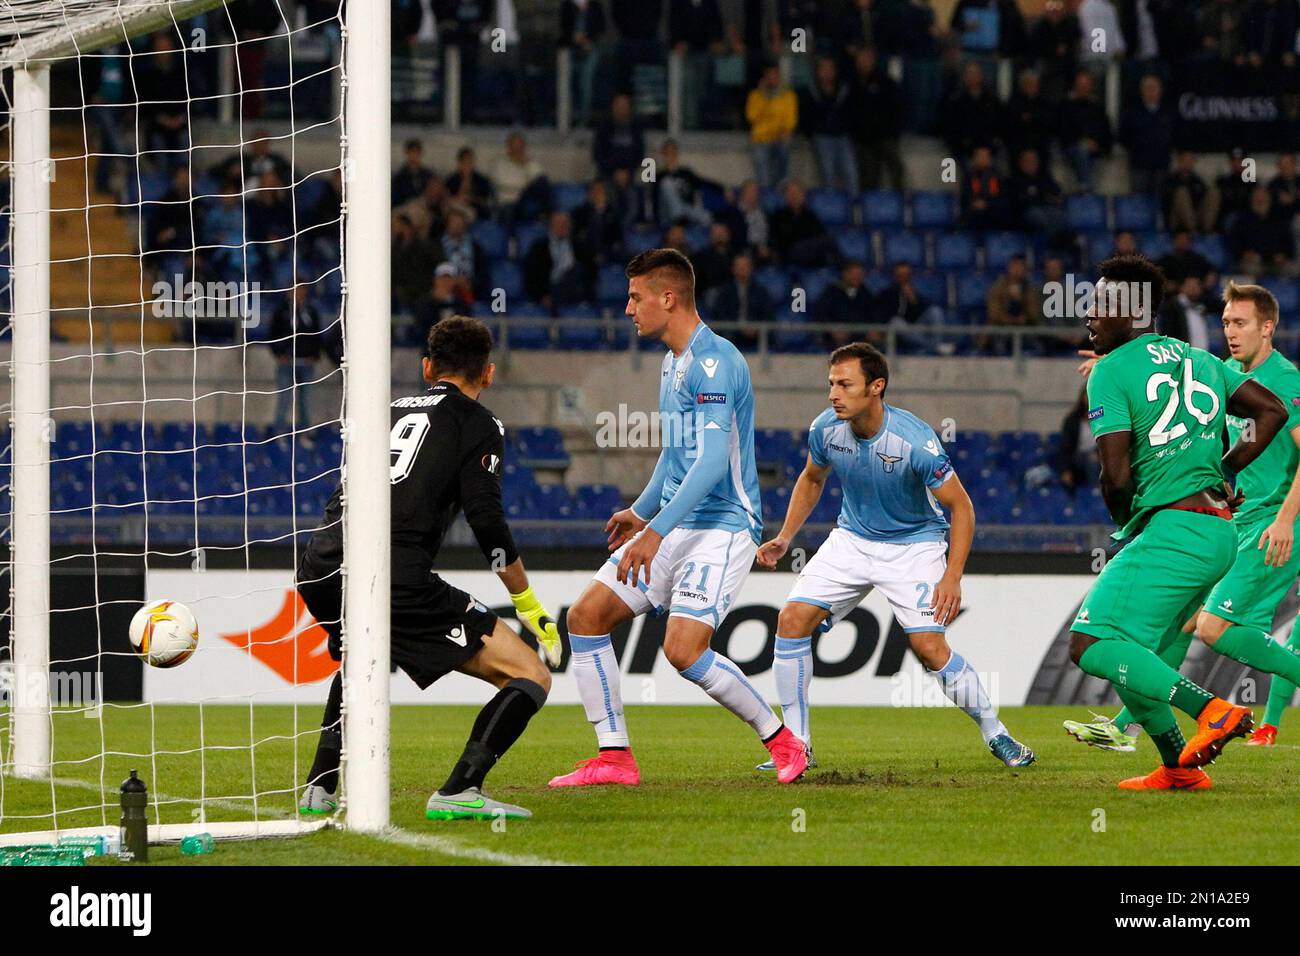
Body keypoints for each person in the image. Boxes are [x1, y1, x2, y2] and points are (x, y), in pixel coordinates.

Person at [547, 249, 808, 788]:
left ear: (668, 298)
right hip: (676, 522)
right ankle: (615, 757)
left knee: (683, 651)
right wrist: (641, 512)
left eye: (636, 297)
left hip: (724, 526)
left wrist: (656, 530)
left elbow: (713, 464)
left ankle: (784, 742)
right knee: (585, 617)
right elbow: (677, 452)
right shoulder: (673, 362)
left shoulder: (717, 362)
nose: (627, 308)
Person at [296, 316, 562, 820]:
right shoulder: (480, 424)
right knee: (530, 674)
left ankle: (319, 788)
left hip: (322, 564)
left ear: (426, 368)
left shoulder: (386, 409)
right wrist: (528, 604)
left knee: (362, 657)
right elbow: (486, 521)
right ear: (489, 374)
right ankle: (461, 789)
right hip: (392, 572)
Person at [754, 342, 1035, 769]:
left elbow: (962, 507)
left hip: (914, 545)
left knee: (928, 647)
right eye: (831, 383)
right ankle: (796, 747)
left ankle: (996, 732)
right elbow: (812, 479)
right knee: (791, 621)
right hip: (852, 539)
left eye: (845, 385)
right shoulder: (824, 429)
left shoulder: (914, 440)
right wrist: (785, 535)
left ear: (876, 387)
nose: (833, 394)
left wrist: (952, 576)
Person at [1065, 256, 1287, 790]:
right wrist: (1225, 470)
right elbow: (1272, 412)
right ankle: (1177, 769)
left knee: (1089, 643)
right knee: (1134, 653)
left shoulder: (1111, 371)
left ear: (1134, 310)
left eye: (1100, 303)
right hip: (1218, 530)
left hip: (1175, 529)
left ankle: (1212, 711)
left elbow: (1114, 477)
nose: (1089, 313)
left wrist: (1125, 528)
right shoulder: (1202, 360)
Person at [269, 284, 324, 432]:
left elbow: (317, 334)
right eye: (295, 289)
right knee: (284, 400)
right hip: (287, 363)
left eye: (302, 290)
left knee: (305, 402)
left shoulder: (311, 311)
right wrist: (279, 354)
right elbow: (273, 335)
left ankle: (305, 434)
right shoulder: (281, 312)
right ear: (288, 291)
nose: (299, 293)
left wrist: (315, 355)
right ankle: (278, 434)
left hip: (306, 363)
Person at [745, 61, 798, 188]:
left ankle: (781, 188)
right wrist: (764, 96)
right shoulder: (755, 95)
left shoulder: (788, 95)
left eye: (775, 75)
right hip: (761, 140)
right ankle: (767, 196)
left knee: (785, 146)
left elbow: (791, 118)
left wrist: (786, 130)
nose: (772, 79)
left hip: (780, 139)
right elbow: (751, 117)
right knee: (764, 180)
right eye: (769, 75)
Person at [392, 138, 433, 206]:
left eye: (417, 152)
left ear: (421, 154)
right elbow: (395, 199)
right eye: (412, 152)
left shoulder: (428, 175)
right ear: (407, 153)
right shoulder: (399, 177)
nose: (414, 156)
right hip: (405, 208)